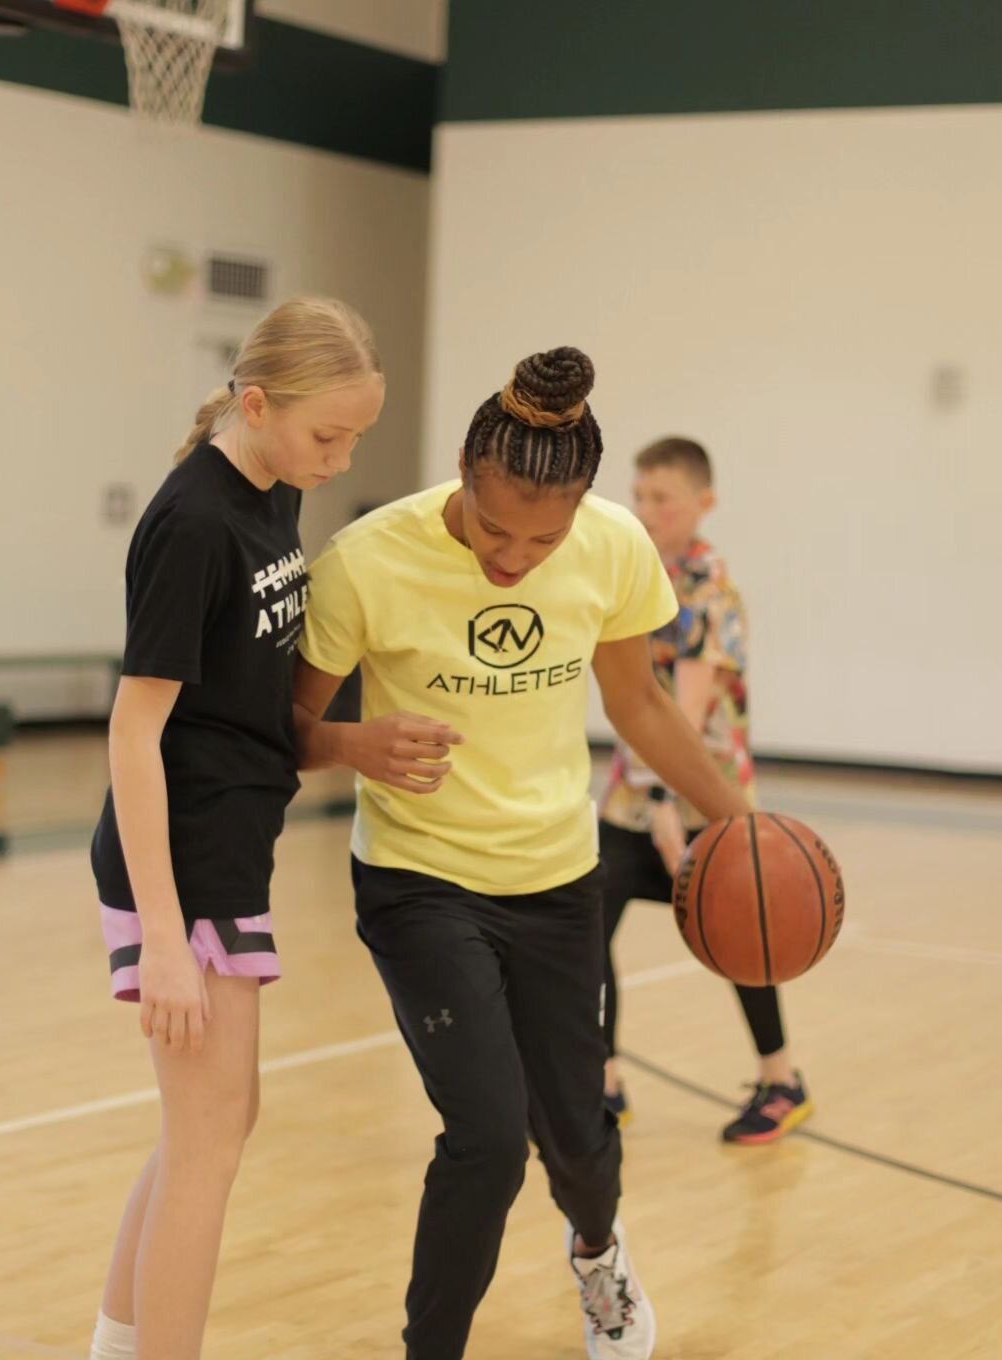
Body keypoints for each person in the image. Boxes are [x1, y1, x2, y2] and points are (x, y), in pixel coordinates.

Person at [292, 347, 749, 1360]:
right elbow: (284, 728)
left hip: (554, 877)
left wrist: (736, 819)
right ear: (461, 467)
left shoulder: (614, 546)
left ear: (582, 508)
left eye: (542, 541)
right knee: (490, 1139)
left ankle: (598, 1255)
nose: (513, 559)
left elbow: (636, 700)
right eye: (495, 529)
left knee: (581, 1142)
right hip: (418, 879)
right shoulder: (367, 559)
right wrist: (350, 741)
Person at [86, 297, 385, 1360]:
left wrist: (352, 746)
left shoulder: (268, 492)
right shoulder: (195, 520)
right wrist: (162, 936)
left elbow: (246, 711)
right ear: (256, 403)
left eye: (356, 437)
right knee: (210, 1144)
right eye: (327, 435)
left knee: (206, 1133)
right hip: (184, 863)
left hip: (226, 851)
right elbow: (135, 732)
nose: (341, 458)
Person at [598, 437, 812, 1144]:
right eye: (641, 495)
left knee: (743, 936)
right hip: (633, 793)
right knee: (582, 925)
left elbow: (683, 714)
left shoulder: (707, 590)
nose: (647, 509)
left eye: (663, 497)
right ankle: (602, 1081)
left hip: (705, 795)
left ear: (703, 503)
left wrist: (665, 802)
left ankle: (782, 1080)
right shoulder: (637, 575)